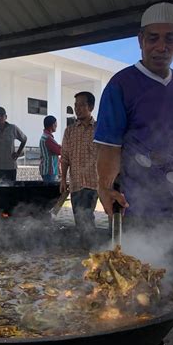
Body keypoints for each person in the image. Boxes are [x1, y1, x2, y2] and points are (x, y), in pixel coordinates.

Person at [94, 2, 173, 254]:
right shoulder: (121, 84)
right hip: (135, 210)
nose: (161, 47)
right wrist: (104, 188)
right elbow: (109, 146)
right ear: (140, 40)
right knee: (134, 277)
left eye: (170, 38)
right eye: (153, 38)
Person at [60, 91, 98, 239]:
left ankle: (92, 251)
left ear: (91, 107)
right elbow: (65, 158)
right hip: (75, 183)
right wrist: (63, 179)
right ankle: (86, 251)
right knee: (80, 221)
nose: (77, 108)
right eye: (76, 105)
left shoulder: (99, 129)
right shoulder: (69, 131)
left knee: (87, 218)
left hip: (93, 182)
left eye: (82, 105)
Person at [39, 115, 61, 182]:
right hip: (49, 171)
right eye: (56, 124)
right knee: (50, 191)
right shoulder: (48, 138)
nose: (57, 126)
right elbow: (59, 151)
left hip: (45, 170)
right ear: (52, 125)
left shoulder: (45, 136)